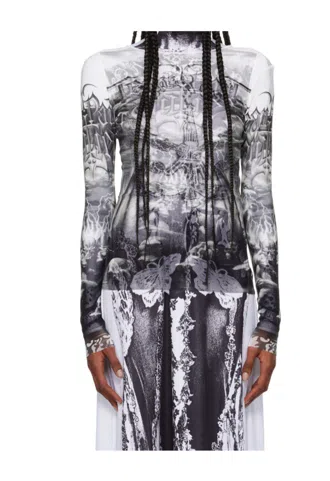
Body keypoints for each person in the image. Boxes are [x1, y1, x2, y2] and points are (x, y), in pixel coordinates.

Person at [80, 31, 281, 450]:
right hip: (131, 296)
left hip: (225, 297)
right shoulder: (105, 69)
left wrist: (269, 323)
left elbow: (257, 196)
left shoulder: (249, 69)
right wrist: (92, 325)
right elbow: (98, 200)